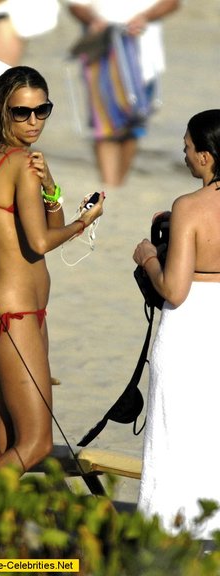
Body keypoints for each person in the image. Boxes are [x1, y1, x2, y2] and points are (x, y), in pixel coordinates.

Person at [0, 66, 104, 472]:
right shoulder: (20, 162)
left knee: (7, 445)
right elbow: (43, 242)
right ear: (2, 110)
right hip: (15, 316)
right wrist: (85, 221)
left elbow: (42, 230)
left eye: (42, 110)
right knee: (37, 443)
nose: (33, 121)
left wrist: (51, 188)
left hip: (18, 314)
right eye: (21, 112)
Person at [133, 109, 220, 538]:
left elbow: (174, 289)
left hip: (190, 327)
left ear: (206, 156)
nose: (184, 155)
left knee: (173, 430)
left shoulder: (189, 206)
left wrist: (148, 256)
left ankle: (166, 528)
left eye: (187, 148)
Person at [66, 0, 180, 187]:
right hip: (101, 53)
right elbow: (75, 5)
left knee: (134, 124)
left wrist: (145, 17)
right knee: (105, 126)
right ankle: (109, 184)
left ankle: (118, 183)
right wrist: (94, 20)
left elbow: (172, 3)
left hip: (145, 58)